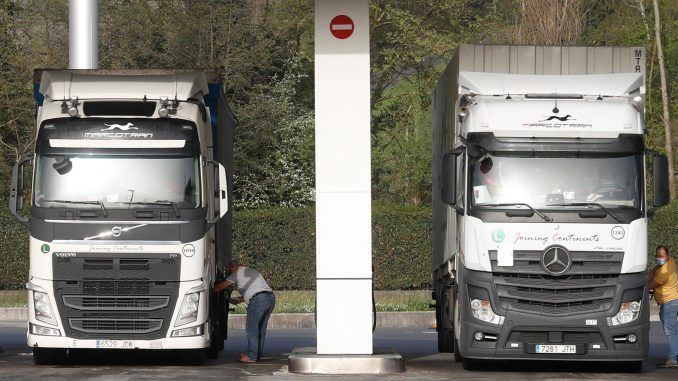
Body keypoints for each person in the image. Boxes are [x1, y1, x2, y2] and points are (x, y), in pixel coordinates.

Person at [212, 262, 276, 363]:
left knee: (252, 329)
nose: (229, 273)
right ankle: (257, 355)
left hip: (258, 300)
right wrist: (239, 299)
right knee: (261, 330)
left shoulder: (236, 273)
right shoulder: (253, 271)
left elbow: (219, 288)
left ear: (233, 267)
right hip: (270, 298)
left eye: (229, 271)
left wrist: (209, 288)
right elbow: (255, 291)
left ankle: (251, 356)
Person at [649, 245, 678, 368]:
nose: (659, 258)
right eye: (657, 256)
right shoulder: (671, 262)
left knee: (670, 331)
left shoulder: (664, 273)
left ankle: (673, 358)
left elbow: (650, 285)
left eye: (661, 256)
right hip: (672, 301)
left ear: (667, 256)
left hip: (669, 302)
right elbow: (655, 270)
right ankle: (675, 355)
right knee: (673, 330)